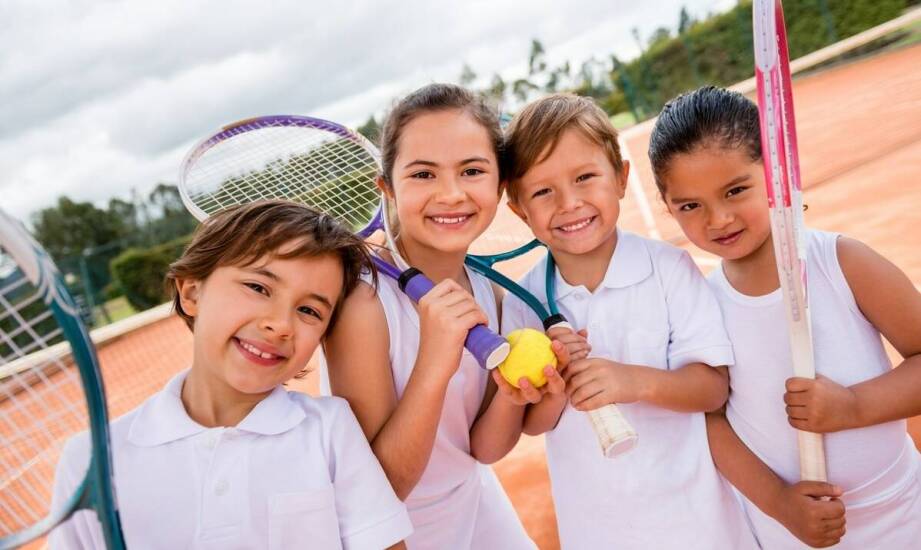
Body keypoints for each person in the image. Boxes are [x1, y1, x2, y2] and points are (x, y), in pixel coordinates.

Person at [648, 85, 921, 548]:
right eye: (690, 205)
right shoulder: (698, 305)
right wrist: (780, 503)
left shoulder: (842, 263)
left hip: (900, 514)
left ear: (776, 173)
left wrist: (853, 406)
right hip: (787, 532)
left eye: (735, 190)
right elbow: (712, 421)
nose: (719, 219)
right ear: (668, 206)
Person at [50, 200, 411, 549]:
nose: (280, 325)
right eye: (258, 288)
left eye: (309, 311)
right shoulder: (90, 460)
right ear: (192, 292)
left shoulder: (331, 430)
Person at [492, 93, 756, 549]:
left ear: (620, 177)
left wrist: (630, 381)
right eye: (542, 191)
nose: (569, 203)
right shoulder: (522, 301)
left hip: (700, 527)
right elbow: (534, 423)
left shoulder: (669, 268)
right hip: (598, 532)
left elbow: (712, 389)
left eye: (584, 177)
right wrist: (557, 384)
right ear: (519, 209)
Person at [321, 83, 535, 549]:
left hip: (476, 503)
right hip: (398, 532)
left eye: (472, 171)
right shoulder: (362, 304)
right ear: (387, 188)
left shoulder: (491, 293)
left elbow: (482, 451)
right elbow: (382, 489)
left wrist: (514, 396)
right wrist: (435, 361)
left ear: (499, 185)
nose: (451, 194)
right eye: (423, 174)